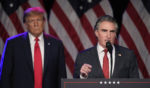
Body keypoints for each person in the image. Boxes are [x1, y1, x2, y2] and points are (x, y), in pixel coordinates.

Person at [0, 7, 66, 88]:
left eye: (39, 20)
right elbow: (5, 76)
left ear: (44, 22)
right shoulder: (13, 44)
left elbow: (61, 76)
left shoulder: (56, 44)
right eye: (31, 21)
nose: (36, 24)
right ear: (25, 24)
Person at [73, 15, 139, 78]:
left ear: (115, 34)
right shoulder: (83, 56)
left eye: (112, 31)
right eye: (104, 31)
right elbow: (75, 83)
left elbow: (135, 83)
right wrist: (83, 76)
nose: (108, 36)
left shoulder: (128, 55)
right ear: (96, 33)